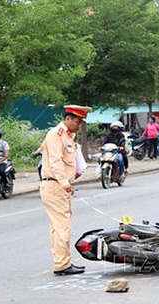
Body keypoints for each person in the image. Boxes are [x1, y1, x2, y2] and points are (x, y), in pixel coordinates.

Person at [39, 105, 92, 276]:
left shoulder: (69, 137)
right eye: (77, 121)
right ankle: (62, 264)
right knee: (63, 226)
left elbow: (69, 161)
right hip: (55, 185)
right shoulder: (56, 135)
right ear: (68, 119)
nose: (79, 125)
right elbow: (55, 161)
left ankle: (61, 262)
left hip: (60, 186)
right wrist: (64, 182)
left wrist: (72, 177)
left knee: (57, 227)